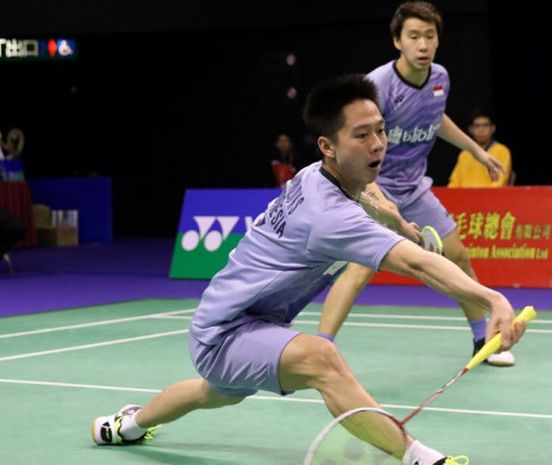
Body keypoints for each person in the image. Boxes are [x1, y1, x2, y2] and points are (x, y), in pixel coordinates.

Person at [90, 75, 527, 465]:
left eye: (381, 130)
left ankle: (128, 424)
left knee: (212, 393)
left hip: (245, 323)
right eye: (361, 135)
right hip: (225, 332)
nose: (377, 144)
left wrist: (393, 217)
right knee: (322, 359)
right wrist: (492, 298)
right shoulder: (329, 217)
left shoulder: (317, 174)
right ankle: (419, 459)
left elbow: (369, 189)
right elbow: (417, 263)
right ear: (328, 146)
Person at [317, 1, 515, 366]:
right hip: (373, 184)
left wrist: (476, 151)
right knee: (361, 268)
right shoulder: (377, 87)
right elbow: (355, 147)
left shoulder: (440, 77)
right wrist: (375, 200)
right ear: (397, 41)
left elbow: (436, 119)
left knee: (458, 256)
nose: (422, 44)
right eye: (413, 36)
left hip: (414, 187)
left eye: (429, 36)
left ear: (438, 40)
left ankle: (479, 340)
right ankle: (319, 349)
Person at [448, 111, 513, 187]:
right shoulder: (465, 153)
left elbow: (500, 182)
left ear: (493, 128)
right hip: (464, 196)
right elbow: (454, 183)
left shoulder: (502, 151)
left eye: (485, 125)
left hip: (489, 196)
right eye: (477, 126)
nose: (481, 129)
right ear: (470, 129)